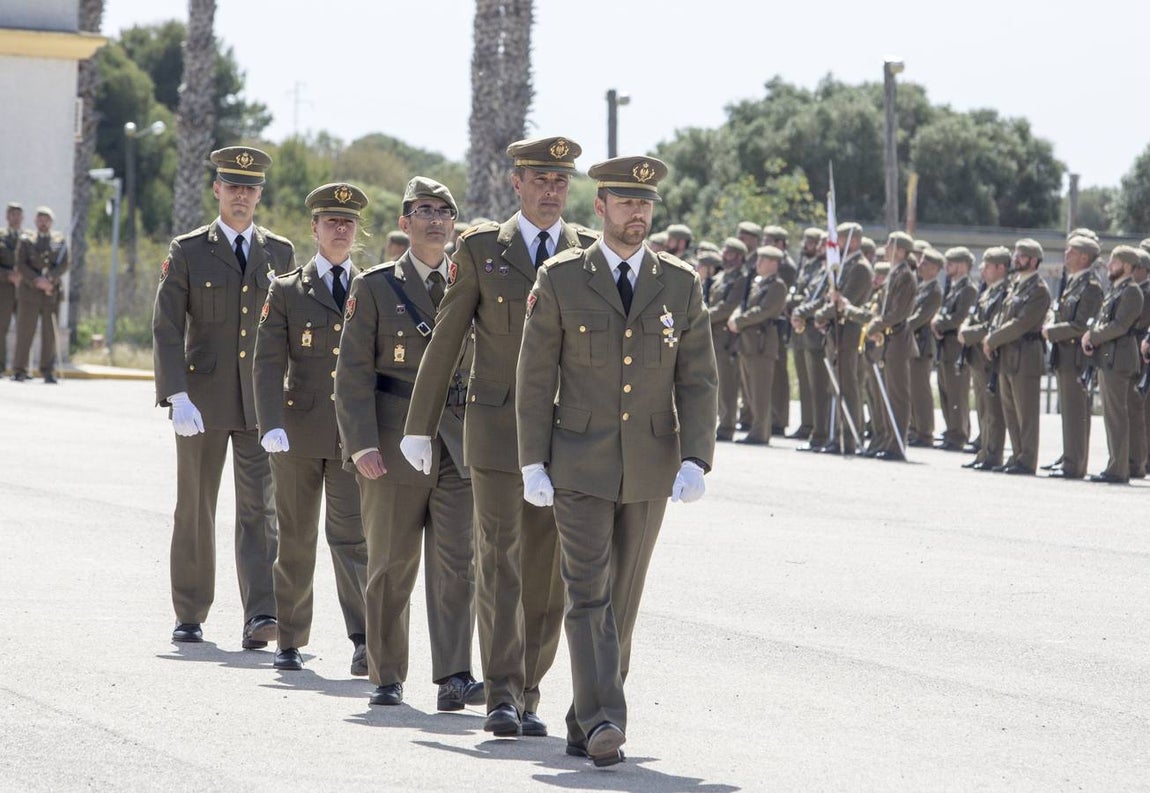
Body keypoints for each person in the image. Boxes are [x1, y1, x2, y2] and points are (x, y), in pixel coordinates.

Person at [515, 155, 718, 766]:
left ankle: (583, 718)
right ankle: (606, 719)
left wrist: (696, 458)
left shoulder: (679, 282)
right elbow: (534, 377)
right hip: (578, 462)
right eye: (626, 202)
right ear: (600, 207)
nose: (638, 213)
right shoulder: (561, 278)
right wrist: (532, 461)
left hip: (652, 465)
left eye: (646, 203)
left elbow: (699, 377)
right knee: (589, 594)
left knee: (622, 600)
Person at [402, 136, 596, 738]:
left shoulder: (586, 252)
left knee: (549, 572)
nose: (550, 192)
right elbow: (448, 337)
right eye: (539, 180)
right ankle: (502, 694)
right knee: (500, 561)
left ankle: (531, 689)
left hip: (564, 438)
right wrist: (419, 424)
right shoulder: (483, 248)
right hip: (495, 432)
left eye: (560, 182)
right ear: (517, 183)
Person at [336, 176, 484, 709]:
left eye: (446, 212)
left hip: (458, 443)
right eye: (425, 211)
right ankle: (386, 673)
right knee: (392, 564)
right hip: (393, 441)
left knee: (457, 564)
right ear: (405, 223)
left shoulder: (472, 281)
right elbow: (350, 376)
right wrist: (360, 446)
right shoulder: (375, 286)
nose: (437, 220)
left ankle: (454, 675)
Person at [152, 146, 296, 646]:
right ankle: (189, 611)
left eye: (249, 186)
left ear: (260, 193)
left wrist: (289, 402)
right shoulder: (189, 249)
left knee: (261, 507)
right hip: (203, 399)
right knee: (195, 505)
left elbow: (289, 331)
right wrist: (176, 395)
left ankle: (261, 614)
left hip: (261, 404)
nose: (241, 194)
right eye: (232, 185)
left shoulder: (279, 253)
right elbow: (167, 328)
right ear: (216, 189)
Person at [252, 183, 370, 675]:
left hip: (352, 440)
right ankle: (291, 639)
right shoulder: (285, 290)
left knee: (353, 540)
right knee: (296, 538)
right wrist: (270, 423)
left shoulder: (374, 287)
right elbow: (265, 363)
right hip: (298, 434)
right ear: (314, 229)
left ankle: (365, 640)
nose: (340, 229)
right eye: (331, 221)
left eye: (347, 222)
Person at [840, 231, 916, 461]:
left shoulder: (904, 275)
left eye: (891, 245)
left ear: (901, 250)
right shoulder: (894, 273)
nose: (886, 248)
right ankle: (887, 440)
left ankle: (897, 443)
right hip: (887, 341)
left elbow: (897, 313)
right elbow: (879, 310)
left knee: (897, 395)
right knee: (886, 395)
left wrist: (875, 325)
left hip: (897, 340)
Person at [982, 239, 1051, 475]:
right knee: (1010, 410)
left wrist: (993, 339)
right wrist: (994, 336)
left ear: (1034, 261)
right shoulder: (1015, 286)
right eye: (1016, 254)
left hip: (1026, 356)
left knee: (1026, 413)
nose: (1016, 259)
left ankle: (1027, 459)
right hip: (1009, 355)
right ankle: (1017, 454)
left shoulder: (1039, 290)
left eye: (1022, 256)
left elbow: (1021, 324)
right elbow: (1003, 318)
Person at [1041, 236, 1104, 479]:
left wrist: (1051, 331)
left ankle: (1074, 465)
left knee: (1076, 413)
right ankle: (1069, 459)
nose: (1066, 255)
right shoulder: (1074, 283)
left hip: (1077, 357)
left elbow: (1080, 326)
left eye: (1072, 252)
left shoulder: (1091, 286)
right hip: (1065, 355)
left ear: (1085, 257)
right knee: (1068, 412)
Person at [1082, 246, 1144, 483]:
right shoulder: (1116, 291)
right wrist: (1092, 335)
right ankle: (1116, 464)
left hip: (1119, 360)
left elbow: (1119, 326)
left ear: (1127, 266)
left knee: (1117, 416)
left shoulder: (1131, 292)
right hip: (1109, 358)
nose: (1109, 265)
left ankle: (1118, 468)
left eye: (1115, 262)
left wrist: (1093, 336)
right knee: (1112, 415)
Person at [814, 223, 872, 455]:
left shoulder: (860, 268)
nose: (834, 244)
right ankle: (838, 436)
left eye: (839, 239)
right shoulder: (844, 266)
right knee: (838, 387)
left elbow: (844, 301)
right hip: (838, 333)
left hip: (850, 333)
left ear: (854, 241)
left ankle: (850, 438)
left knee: (848, 387)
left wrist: (820, 315)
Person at [728, 245, 788, 444]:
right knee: (750, 390)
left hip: (762, 344)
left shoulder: (777, 286)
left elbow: (764, 311)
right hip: (748, 343)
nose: (757, 264)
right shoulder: (758, 283)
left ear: (773, 263)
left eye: (762, 260)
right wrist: (737, 316)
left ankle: (761, 432)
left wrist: (740, 321)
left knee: (760, 391)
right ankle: (757, 428)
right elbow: (743, 305)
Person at [959, 248, 1011, 471]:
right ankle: (984, 450)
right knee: (982, 407)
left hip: (989, 357)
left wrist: (968, 333)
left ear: (1000, 268)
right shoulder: (988, 291)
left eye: (988, 266)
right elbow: (973, 317)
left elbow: (992, 325)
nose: (983, 269)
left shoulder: (1004, 293)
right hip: (977, 357)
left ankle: (993, 453)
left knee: (992, 409)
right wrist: (965, 328)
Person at [931, 247, 979, 450]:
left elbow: (959, 317)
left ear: (961, 265)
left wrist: (939, 324)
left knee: (957, 392)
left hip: (956, 347)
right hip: (945, 346)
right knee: (946, 391)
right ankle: (952, 430)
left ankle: (959, 434)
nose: (947, 268)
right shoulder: (953, 287)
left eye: (950, 263)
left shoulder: (968, 289)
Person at [12, 207, 67, 383]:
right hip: (30, 293)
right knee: (25, 331)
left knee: (49, 333)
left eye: (47, 219)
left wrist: (50, 279)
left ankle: (47, 370)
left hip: (50, 293)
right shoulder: (27, 240)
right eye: (40, 219)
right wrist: (37, 280)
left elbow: (64, 264)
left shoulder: (59, 240)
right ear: (35, 221)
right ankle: (20, 369)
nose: (43, 222)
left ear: (51, 222)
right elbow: (21, 264)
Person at [786, 228, 826, 442]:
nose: (813, 247)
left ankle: (816, 427)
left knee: (816, 384)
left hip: (813, 329)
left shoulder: (825, 270)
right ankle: (808, 423)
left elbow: (817, 298)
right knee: (805, 381)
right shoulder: (809, 266)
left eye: (817, 243)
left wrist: (800, 307)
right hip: (801, 329)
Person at [708, 238, 748, 441]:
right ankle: (721, 422)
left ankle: (728, 425)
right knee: (716, 383)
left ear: (739, 257)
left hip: (726, 339)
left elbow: (727, 307)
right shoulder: (723, 276)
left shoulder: (740, 279)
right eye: (724, 251)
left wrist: (702, 316)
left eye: (729, 253)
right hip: (714, 336)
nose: (724, 255)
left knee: (727, 385)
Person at [906, 248, 944, 447]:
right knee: (912, 389)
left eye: (925, 264)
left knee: (921, 391)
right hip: (913, 344)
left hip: (922, 345)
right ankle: (914, 428)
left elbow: (921, 317)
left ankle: (925, 432)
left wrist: (901, 326)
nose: (920, 267)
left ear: (935, 269)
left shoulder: (934, 291)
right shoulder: (921, 287)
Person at [763, 225, 795, 436]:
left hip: (780, 323)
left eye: (770, 240)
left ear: (780, 244)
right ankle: (772, 417)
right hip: (774, 321)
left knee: (780, 375)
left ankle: (779, 418)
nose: (765, 243)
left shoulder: (785, 266)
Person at [1126, 249, 1150, 478]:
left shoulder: (1145, 292)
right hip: (1135, 352)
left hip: (1141, 354)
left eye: (1134, 267)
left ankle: (1140, 461)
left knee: (1140, 410)